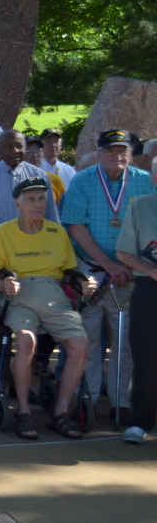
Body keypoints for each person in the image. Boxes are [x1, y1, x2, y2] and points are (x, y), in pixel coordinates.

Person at [0, 177, 95, 440]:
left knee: (79, 344)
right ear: (18, 204)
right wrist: (2, 286)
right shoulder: (3, 231)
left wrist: (81, 280)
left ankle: (60, 413)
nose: (37, 204)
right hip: (19, 294)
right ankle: (23, 412)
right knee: (25, 341)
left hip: (53, 294)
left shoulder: (57, 232)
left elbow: (68, 272)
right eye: (31, 199)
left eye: (41, 198)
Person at [62, 128, 156, 425]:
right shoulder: (82, 180)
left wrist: (129, 267)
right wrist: (109, 265)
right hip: (91, 272)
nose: (118, 155)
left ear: (132, 152)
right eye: (111, 150)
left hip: (131, 274)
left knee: (126, 342)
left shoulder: (145, 182)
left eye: (123, 150)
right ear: (100, 152)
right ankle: (86, 397)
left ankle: (121, 401)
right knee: (87, 340)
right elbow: (76, 226)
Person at [116, 158, 157, 444]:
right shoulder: (140, 205)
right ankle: (141, 420)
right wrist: (153, 271)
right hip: (149, 289)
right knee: (147, 357)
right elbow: (124, 253)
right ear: (154, 179)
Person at [0, 130, 59, 236]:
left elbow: (51, 215)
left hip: (34, 239)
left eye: (19, 146)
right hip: (0, 240)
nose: (15, 151)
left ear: (25, 148)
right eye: (8, 147)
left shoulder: (39, 175)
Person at [24, 135, 65, 204]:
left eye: (37, 150)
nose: (34, 155)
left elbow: (62, 208)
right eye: (28, 151)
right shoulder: (15, 179)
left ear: (43, 153)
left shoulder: (55, 179)